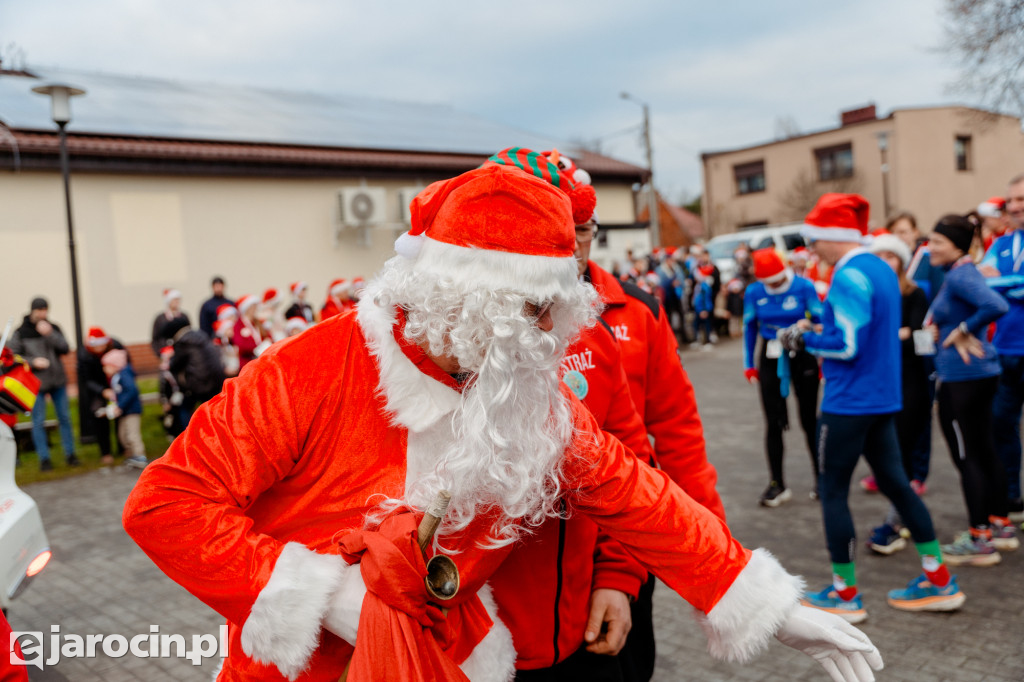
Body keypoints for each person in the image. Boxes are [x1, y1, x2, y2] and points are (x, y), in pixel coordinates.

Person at [123, 164, 880, 682]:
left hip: (458, 659)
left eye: (554, 308)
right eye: (532, 310)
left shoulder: (518, 384)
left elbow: (633, 492)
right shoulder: (315, 367)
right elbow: (166, 503)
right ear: (458, 300)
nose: (549, 333)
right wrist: (334, 601)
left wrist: (765, 604)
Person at [487, 147, 724, 682]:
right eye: (557, 229)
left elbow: (673, 438)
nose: (570, 245)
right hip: (506, 592)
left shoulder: (633, 311)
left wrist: (711, 565)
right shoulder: (473, 330)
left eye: (583, 230)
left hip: (621, 553)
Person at [779, 193, 964, 622]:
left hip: (848, 402)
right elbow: (865, 328)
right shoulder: (881, 267)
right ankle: (939, 580)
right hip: (882, 398)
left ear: (832, 236)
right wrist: (819, 327)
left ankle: (845, 594)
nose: (811, 249)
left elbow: (847, 345)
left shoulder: (848, 275)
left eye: (814, 239)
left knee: (832, 492)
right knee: (898, 485)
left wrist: (804, 338)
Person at [924, 215, 1014, 564]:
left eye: (937, 242)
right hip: (976, 374)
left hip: (963, 378)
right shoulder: (961, 272)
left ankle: (980, 538)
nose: (930, 248)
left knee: (968, 455)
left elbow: (996, 305)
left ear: (956, 246)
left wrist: (962, 329)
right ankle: (999, 524)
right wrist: (947, 327)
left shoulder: (961, 275)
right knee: (984, 449)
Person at [863, 235, 932, 554]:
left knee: (901, 456)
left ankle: (895, 524)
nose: (885, 262)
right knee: (888, 457)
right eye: (879, 256)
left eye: (891, 256)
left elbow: (916, 334)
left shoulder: (914, 293)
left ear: (902, 261)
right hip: (880, 382)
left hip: (910, 382)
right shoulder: (870, 293)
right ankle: (904, 521)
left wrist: (886, 336)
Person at [742, 248, 822, 506]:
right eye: (770, 283)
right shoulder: (754, 292)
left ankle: (821, 479)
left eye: (778, 281)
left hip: (802, 351)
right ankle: (777, 483)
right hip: (771, 355)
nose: (775, 286)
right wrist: (748, 364)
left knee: (809, 420)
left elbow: (821, 320)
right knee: (773, 421)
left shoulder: (804, 286)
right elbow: (749, 327)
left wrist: (810, 328)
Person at [980, 173, 1024, 520]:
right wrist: (1011, 284)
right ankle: (1012, 499)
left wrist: (1002, 282)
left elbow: (1000, 285)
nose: (1013, 207)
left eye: (1021, 199)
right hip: (1005, 350)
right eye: (1010, 200)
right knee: (1001, 425)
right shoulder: (1002, 244)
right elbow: (981, 285)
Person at [8, 297, 79, 472]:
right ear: (33, 311)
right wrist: (33, 362)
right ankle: (44, 459)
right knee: (38, 420)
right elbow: (13, 356)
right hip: (36, 384)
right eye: (39, 310)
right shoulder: (21, 332)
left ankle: (70, 454)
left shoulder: (52, 327)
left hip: (57, 380)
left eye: (45, 310)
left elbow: (65, 348)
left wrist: (50, 334)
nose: (43, 313)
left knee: (64, 417)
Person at [77, 326, 128, 465]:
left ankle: (123, 447)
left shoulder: (116, 347)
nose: (99, 349)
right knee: (100, 418)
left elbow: (126, 366)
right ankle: (105, 452)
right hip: (97, 391)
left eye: (102, 345)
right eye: (96, 346)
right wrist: (102, 391)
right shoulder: (85, 356)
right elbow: (86, 379)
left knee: (120, 416)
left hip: (117, 386)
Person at [166, 320, 226, 421]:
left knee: (185, 405)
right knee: (212, 408)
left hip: (199, 381)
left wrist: (170, 360)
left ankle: (187, 428)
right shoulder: (201, 336)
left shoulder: (183, 342)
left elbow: (176, 364)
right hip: (216, 378)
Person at [101, 348, 148, 468]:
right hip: (124, 412)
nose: (104, 369)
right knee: (122, 435)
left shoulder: (124, 375)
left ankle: (140, 455)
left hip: (132, 411)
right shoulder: (116, 377)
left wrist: (120, 405)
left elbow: (131, 390)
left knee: (132, 434)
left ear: (115, 365)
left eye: (106, 366)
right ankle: (133, 455)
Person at [151, 288, 190, 357]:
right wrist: (159, 352)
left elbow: (189, 333)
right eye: (174, 300)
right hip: (166, 352)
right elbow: (155, 338)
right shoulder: (160, 319)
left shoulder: (184, 317)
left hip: (182, 352)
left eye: (178, 300)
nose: (176, 302)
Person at [232, 294, 265, 371]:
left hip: (260, 361)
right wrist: (257, 348)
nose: (255, 309)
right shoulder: (239, 325)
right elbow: (240, 344)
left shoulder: (257, 322)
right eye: (252, 307)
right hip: (247, 364)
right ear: (246, 308)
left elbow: (266, 336)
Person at [690, 265, 715, 348]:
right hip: (699, 309)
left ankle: (708, 341)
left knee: (706, 325)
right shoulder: (699, 285)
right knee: (697, 325)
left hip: (703, 309)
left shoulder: (704, 287)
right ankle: (699, 340)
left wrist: (704, 310)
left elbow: (705, 299)